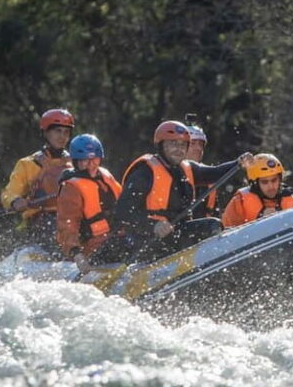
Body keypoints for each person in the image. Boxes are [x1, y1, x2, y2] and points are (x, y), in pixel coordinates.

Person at [94, 120, 253, 263]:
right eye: (173, 144)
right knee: (207, 227)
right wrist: (153, 226)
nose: (179, 149)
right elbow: (123, 212)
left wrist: (237, 163)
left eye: (183, 145)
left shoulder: (187, 168)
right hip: (144, 238)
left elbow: (213, 173)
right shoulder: (145, 172)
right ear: (161, 145)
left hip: (174, 234)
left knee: (212, 225)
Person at [0, 108, 75, 246]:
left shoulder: (75, 163)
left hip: (71, 219)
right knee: (55, 226)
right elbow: (9, 192)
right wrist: (15, 201)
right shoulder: (27, 164)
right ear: (46, 132)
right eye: (57, 131)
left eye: (66, 132)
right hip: (42, 223)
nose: (62, 136)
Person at [56, 134, 122, 272]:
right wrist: (77, 254)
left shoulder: (105, 175)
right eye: (85, 160)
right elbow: (67, 224)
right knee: (124, 244)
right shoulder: (71, 187)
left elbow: (124, 203)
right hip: (94, 247)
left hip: (116, 236)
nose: (91, 164)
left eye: (95, 159)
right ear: (76, 162)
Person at [222, 153, 293, 228]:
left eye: (274, 180)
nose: (271, 186)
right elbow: (228, 237)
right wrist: (259, 220)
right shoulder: (239, 202)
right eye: (264, 182)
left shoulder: (290, 200)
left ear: (280, 180)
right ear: (255, 183)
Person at [185, 117, 219, 218]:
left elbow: (215, 214)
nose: (198, 148)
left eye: (201, 144)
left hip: (203, 230)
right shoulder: (170, 172)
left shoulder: (209, 176)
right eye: (193, 143)